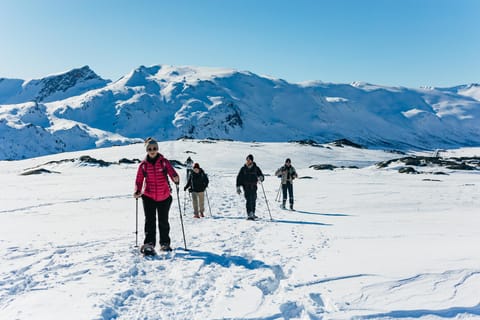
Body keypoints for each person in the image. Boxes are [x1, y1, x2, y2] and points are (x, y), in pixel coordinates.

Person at [134, 137, 179, 253]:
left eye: (154, 148)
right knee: (150, 221)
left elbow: (171, 172)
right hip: (148, 196)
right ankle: (149, 244)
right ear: (147, 150)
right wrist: (137, 190)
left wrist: (176, 178)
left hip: (164, 196)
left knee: (163, 221)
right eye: (150, 149)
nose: (152, 150)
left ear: (157, 149)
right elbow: (139, 180)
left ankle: (164, 243)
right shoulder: (143, 165)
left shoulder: (164, 162)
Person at [236, 154, 264, 220]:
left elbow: (261, 175)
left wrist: (261, 178)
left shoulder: (256, 168)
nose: (248, 161)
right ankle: (249, 214)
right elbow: (239, 178)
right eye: (247, 159)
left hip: (254, 186)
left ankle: (253, 213)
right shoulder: (243, 168)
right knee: (248, 200)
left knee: (253, 199)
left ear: (252, 160)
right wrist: (238, 187)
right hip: (246, 187)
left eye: (249, 159)